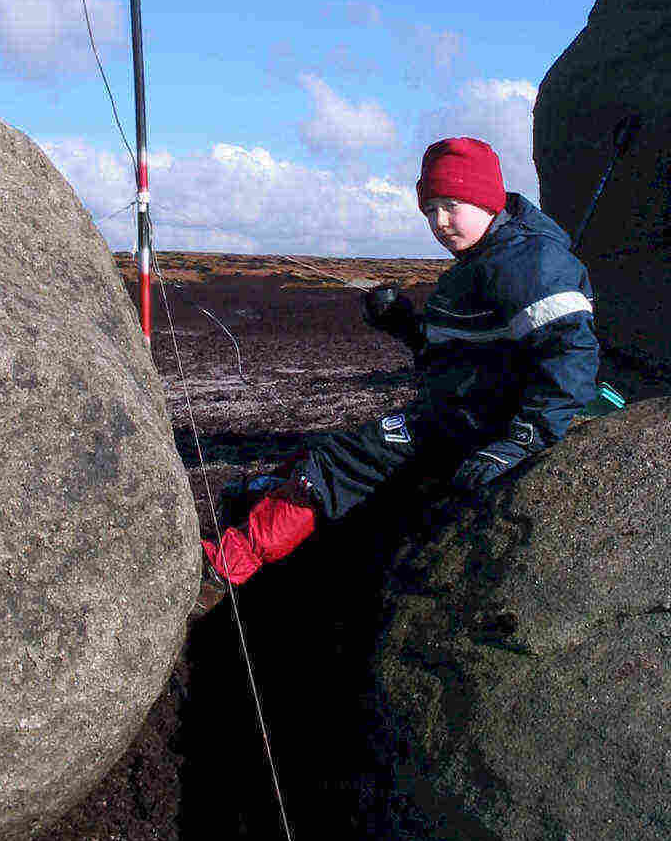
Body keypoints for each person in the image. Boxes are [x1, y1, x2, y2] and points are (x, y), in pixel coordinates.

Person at [200, 136, 600, 591]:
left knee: (337, 464)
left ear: (486, 200)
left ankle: (228, 564)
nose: (440, 222)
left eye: (452, 205)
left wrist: (521, 441)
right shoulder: (484, 257)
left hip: (479, 422)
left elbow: (572, 356)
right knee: (332, 448)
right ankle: (272, 498)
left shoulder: (527, 261)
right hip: (459, 411)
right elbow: (462, 354)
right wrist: (405, 325)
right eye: (430, 210)